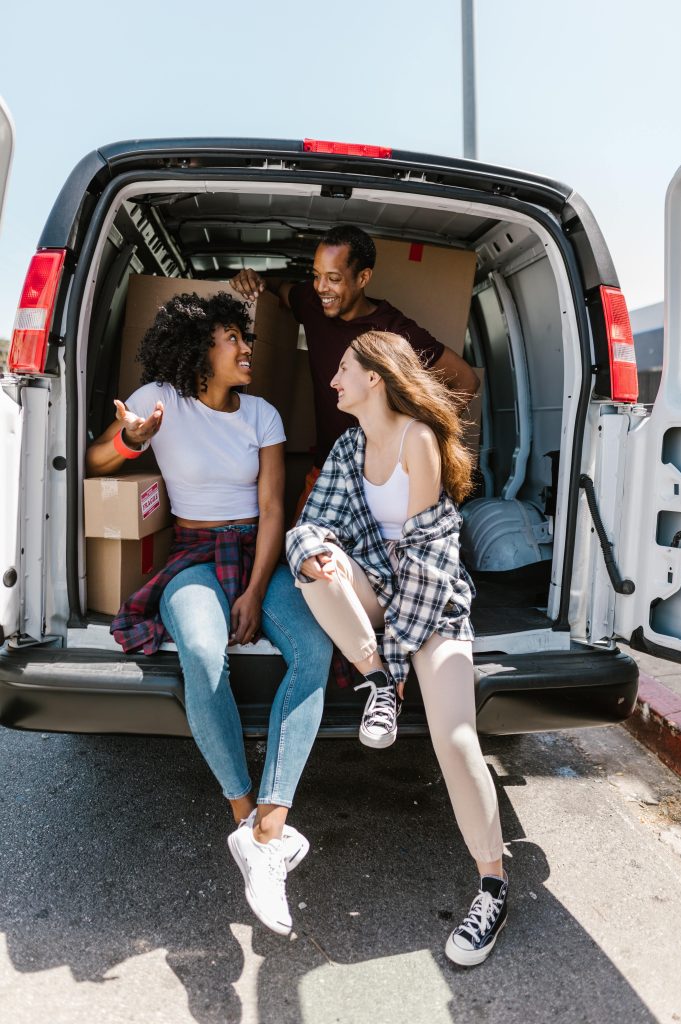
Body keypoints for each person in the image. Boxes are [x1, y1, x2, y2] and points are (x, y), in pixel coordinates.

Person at [85, 291, 333, 938]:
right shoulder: (156, 399)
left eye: (244, 339)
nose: (247, 349)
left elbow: (275, 509)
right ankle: (244, 821)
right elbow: (95, 460)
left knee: (313, 649)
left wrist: (254, 592)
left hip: (259, 553)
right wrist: (132, 439)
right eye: (233, 340)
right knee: (199, 650)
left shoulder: (262, 414)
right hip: (194, 553)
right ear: (200, 351)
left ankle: (272, 825)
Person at [285, 330, 507, 966]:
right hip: (375, 594)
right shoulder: (347, 446)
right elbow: (312, 522)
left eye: (343, 371)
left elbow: (432, 561)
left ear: (376, 377)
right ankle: (376, 682)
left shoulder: (419, 441)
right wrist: (323, 554)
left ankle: (492, 886)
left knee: (456, 740)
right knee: (311, 560)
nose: (333, 383)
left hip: (432, 601)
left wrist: (406, 645)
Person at [231, 225, 480, 511]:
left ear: (363, 278)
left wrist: (417, 440)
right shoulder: (312, 304)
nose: (321, 287)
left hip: (377, 479)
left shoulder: (394, 332)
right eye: (316, 276)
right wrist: (252, 278)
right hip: (325, 468)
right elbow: (277, 287)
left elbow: (466, 380)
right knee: (299, 548)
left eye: (333, 278)